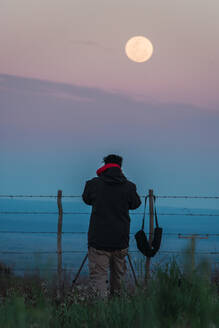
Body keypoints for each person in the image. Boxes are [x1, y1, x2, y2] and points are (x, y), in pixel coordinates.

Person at [82, 154, 141, 298]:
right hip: (120, 240)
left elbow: (86, 199)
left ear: (104, 166)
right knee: (119, 280)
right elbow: (136, 204)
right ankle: (117, 311)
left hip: (98, 241)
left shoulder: (94, 185)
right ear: (120, 167)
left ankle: (100, 313)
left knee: (98, 279)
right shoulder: (129, 187)